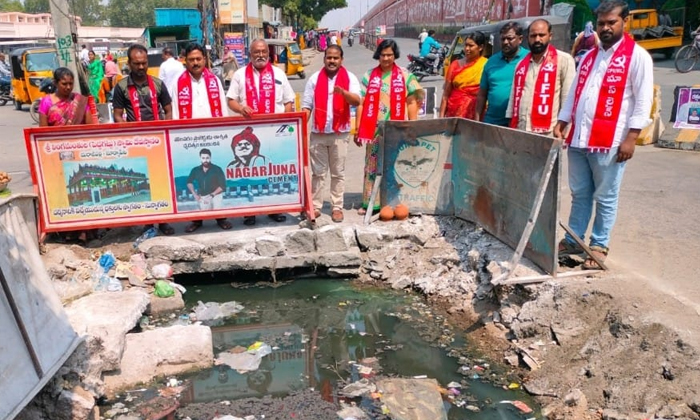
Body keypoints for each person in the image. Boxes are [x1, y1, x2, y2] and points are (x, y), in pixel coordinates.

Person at [553, 0, 653, 269]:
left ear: (625, 22)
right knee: (580, 193)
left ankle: (598, 246)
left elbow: (643, 102)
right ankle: (573, 240)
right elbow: (576, 92)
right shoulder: (590, 56)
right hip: (580, 137)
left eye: (612, 22)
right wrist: (563, 120)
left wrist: (631, 137)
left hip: (610, 141)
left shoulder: (637, 57)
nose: (606, 28)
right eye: (602, 23)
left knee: (606, 196)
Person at [226, 38, 295, 226]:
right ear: (250, 54)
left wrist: (284, 125)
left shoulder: (279, 74)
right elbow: (230, 100)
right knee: (250, 171)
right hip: (251, 135)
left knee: (272, 170)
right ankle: (250, 211)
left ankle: (275, 209)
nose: (260, 55)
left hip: (275, 133)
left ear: (268, 53)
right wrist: (241, 109)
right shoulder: (240, 75)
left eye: (264, 51)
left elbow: (288, 101)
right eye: (256, 52)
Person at [354, 39, 423, 215]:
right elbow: (361, 103)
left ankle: (396, 201)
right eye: (383, 55)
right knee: (372, 165)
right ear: (378, 55)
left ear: (395, 55)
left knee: (397, 164)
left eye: (390, 55)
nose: (386, 58)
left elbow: (412, 101)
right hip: (374, 130)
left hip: (397, 129)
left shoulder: (405, 75)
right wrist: (357, 128)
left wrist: (412, 126)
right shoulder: (369, 75)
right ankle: (371, 202)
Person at [113, 44, 175, 236]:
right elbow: (117, 115)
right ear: (129, 64)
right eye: (136, 64)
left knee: (162, 181)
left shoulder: (157, 84)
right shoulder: (121, 87)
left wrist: (166, 129)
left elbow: (168, 109)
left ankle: (164, 220)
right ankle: (148, 222)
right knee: (144, 183)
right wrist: (128, 137)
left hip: (159, 142)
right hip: (137, 144)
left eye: (144, 63)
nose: (141, 67)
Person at [169, 43, 231, 233]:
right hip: (190, 139)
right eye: (191, 60)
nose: (195, 63)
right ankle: (197, 219)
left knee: (215, 178)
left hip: (213, 136)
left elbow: (222, 107)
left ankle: (220, 217)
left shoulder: (215, 81)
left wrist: (224, 133)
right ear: (185, 61)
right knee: (197, 179)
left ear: (205, 59)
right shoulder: (177, 84)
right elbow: (175, 114)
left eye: (198, 59)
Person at [301, 45, 361, 222]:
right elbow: (306, 106)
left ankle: (336, 207)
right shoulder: (314, 79)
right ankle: (316, 206)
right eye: (329, 57)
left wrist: (343, 93)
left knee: (338, 173)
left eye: (335, 58)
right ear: (324, 59)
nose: (332, 61)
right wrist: (300, 129)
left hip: (340, 134)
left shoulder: (349, 78)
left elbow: (357, 101)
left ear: (341, 60)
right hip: (318, 133)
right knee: (318, 174)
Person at [39, 67, 95, 244]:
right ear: (55, 83)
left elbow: (89, 128)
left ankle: (84, 230)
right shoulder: (46, 103)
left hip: (78, 155)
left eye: (71, 83)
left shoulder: (80, 101)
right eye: (64, 84)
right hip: (56, 156)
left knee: (81, 193)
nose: (68, 87)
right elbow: (42, 133)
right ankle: (65, 230)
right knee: (62, 192)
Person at [506, 19, 575, 135]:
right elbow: (513, 98)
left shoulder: (564, 60)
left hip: (548, 132)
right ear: (528, 38)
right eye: (533, 36)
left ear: (550, 36)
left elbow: (568, 98)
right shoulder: (521, 64)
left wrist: (564, 128)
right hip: (521, 129)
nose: (537, 39)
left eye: (541, 35)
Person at [475, 22, 526, 126]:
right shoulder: (492, 62)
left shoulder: (528, 59)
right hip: (492, 121)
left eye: (510, 38)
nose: (506, 42)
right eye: (503, 39)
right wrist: (477, 121)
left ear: (520, 39)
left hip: (519, 123)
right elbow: (482, 95)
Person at [439, 31, 487, 119]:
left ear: (480, 47)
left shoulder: (486, 65)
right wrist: (441, 118)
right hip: (454, 112)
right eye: (466, 45)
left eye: (471, 46)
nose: (467, 49)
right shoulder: (455, 65)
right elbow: (446, 94)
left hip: (477, 114)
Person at [185, 148, 230, 232]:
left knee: (218, 209)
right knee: (200, 211)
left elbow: (223, 186)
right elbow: (189, 182)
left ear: (210, 158)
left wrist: (212, 195)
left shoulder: (217, 169)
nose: (205, 160)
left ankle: (221, 221)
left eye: (207, 158)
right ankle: (197, 223)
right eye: (203, 158)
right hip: (203, 195)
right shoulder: (195, 170)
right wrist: (194, 194)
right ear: (200, 158)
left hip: (216, 194)